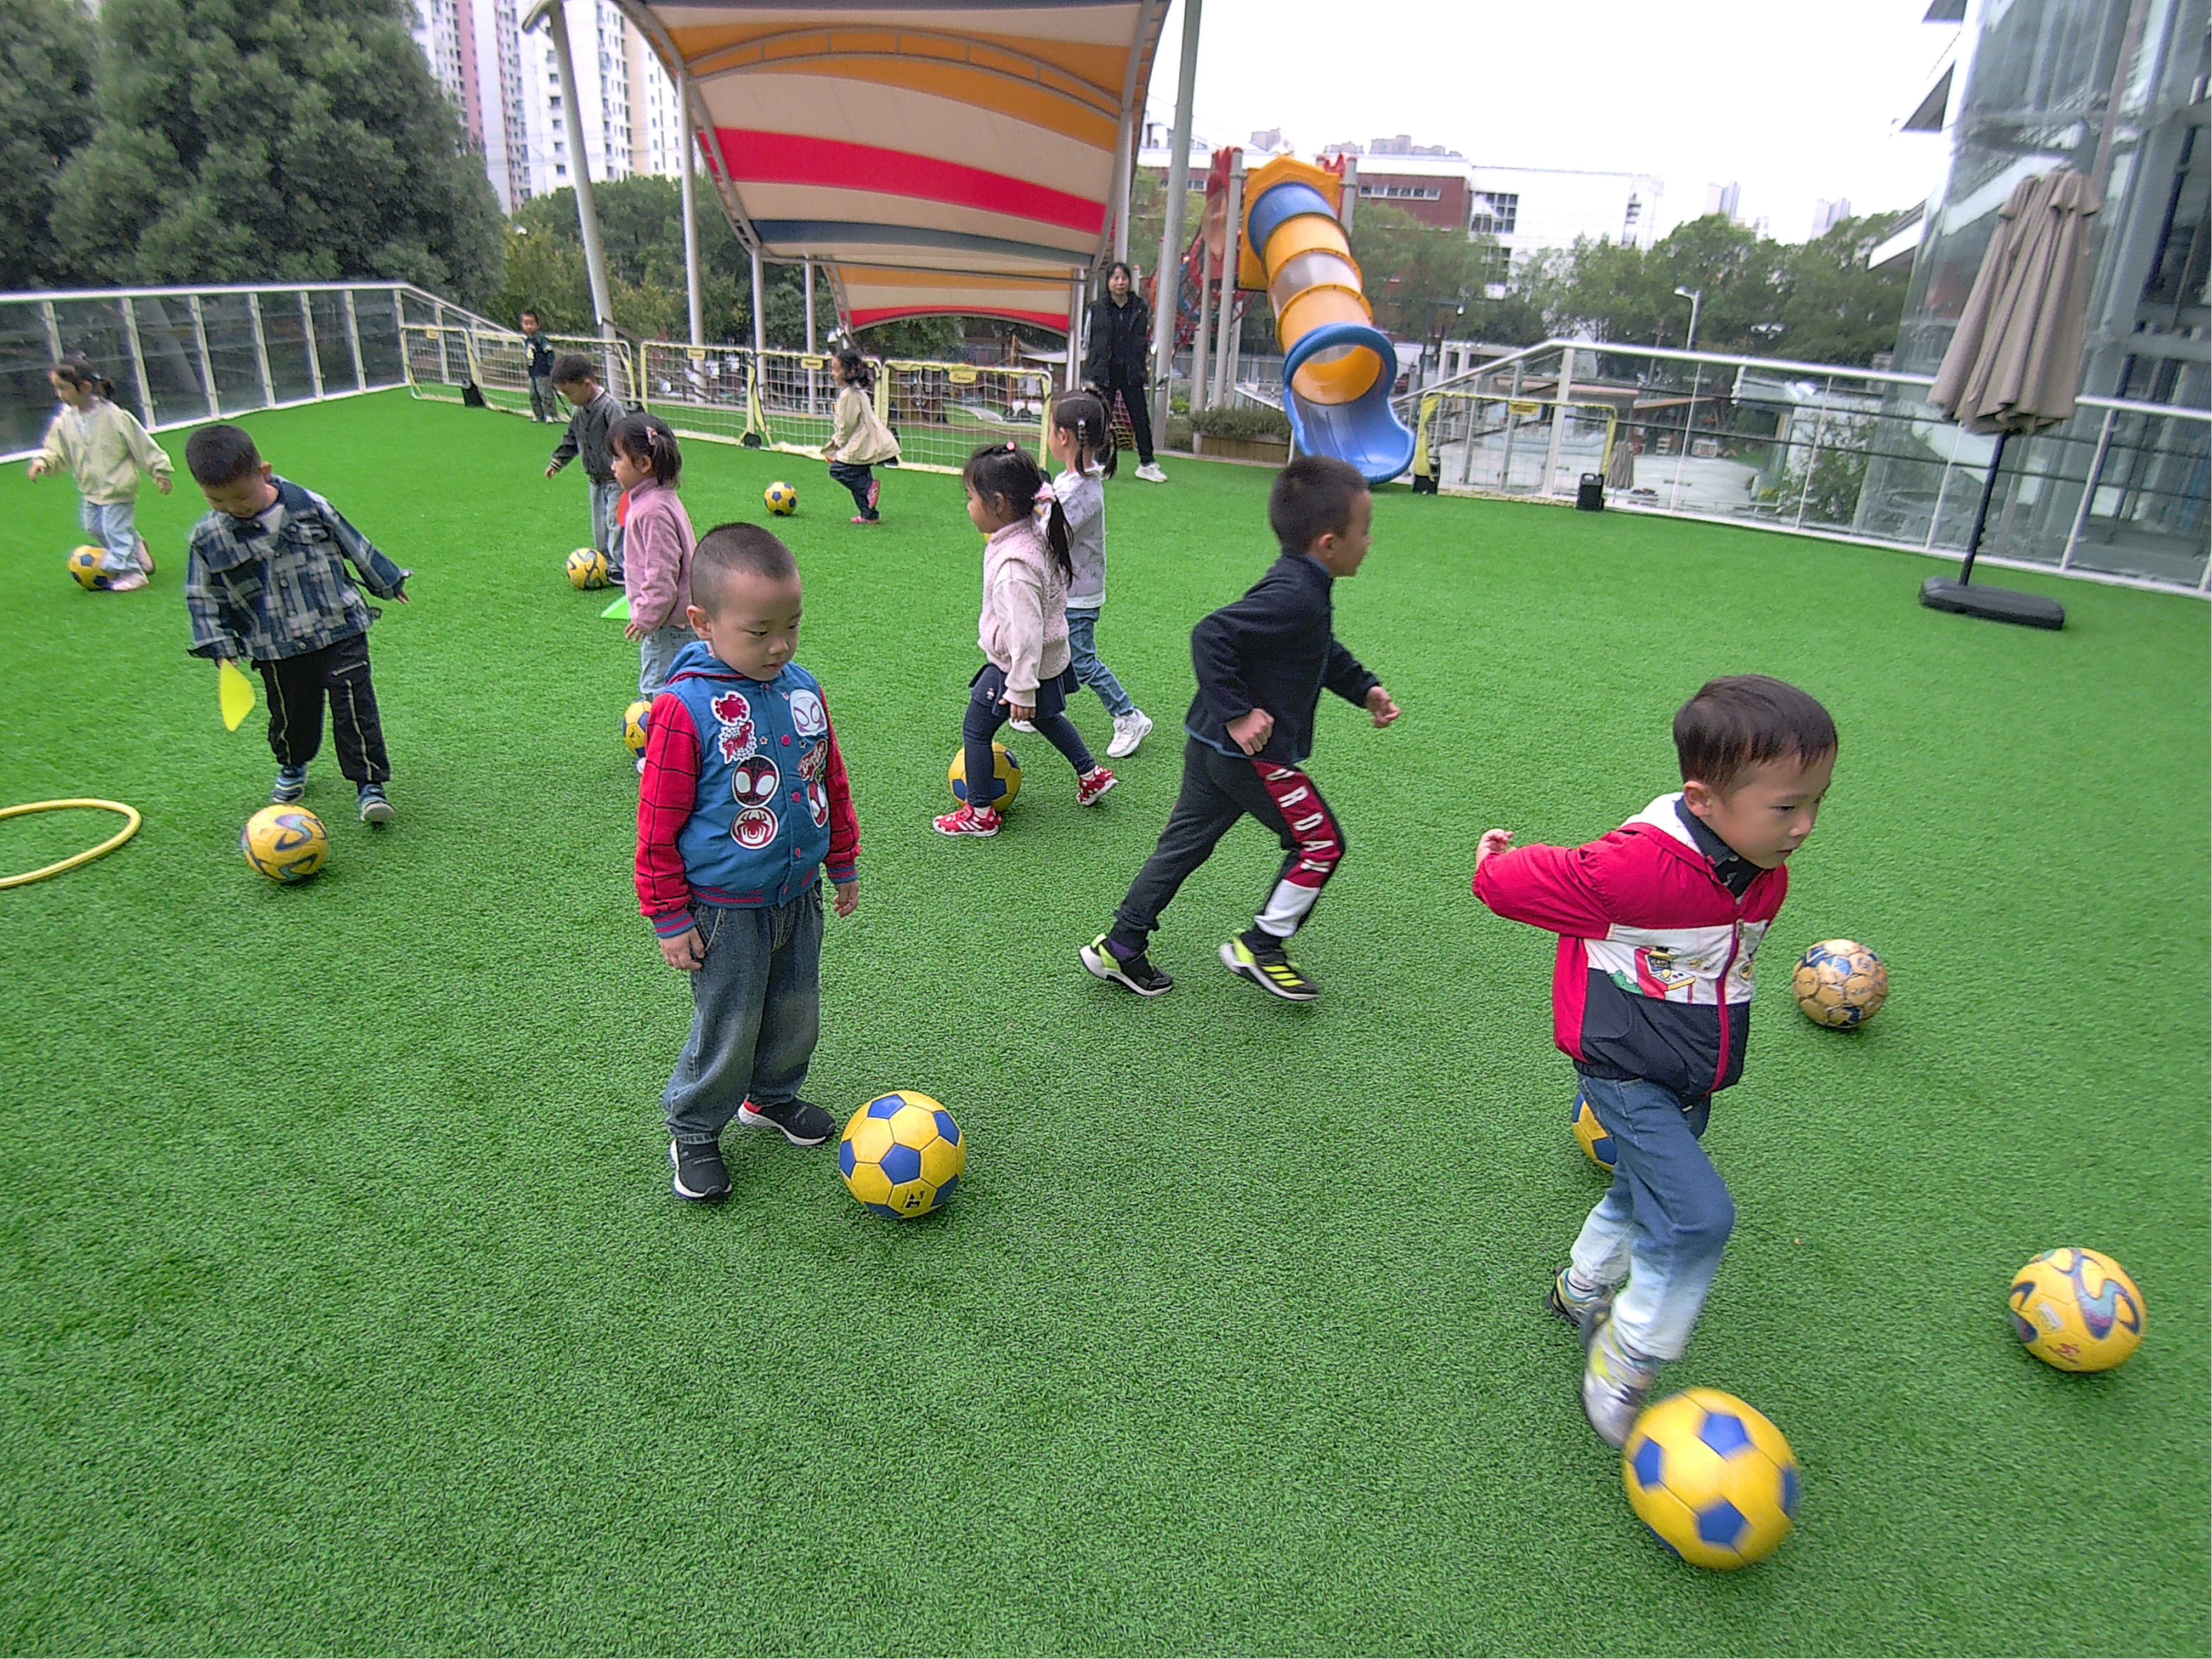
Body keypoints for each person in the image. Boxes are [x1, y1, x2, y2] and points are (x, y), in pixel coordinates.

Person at [1470, 676, 1837, 1447]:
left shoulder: (1762, 868)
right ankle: (1627, 1352)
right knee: (1700, 1214)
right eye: (1786, 807)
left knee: (1641, 1189)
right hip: (1623, 1069)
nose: (1804, 826)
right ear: (1703, 800)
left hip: (1690, 1073)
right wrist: (1493, 862)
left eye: (1817, 802)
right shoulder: (1632, 871)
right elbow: (1508, 888)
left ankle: (1582, 1286)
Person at [1080, 456, 1398, 1003]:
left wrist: (1363, 689)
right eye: (1364, 531)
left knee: (1183, 845)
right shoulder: (1297, 594)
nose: (1369, 543)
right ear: (1328, 543)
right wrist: (1239, 713)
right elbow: (1212, 635)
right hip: (1252, 754)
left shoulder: (1300, 584)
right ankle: (1261, 946)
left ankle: (1122, 945)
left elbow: (1316, 650)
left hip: (1212, 746)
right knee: (1320, 843)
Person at [635, 524, 861, 1202]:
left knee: (795, 1008)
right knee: (730, 1021)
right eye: (759, 631)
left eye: (792, 625)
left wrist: (842, 860)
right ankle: (694, 1126)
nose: (780, 645)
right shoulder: (682, 709)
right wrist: (669, 916)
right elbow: (657, 824)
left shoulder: (803, 689)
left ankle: (771, 1097)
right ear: (702, 623)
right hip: (724, 910)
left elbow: (828, 779)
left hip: (797, 894)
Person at [181, 424, 411, 824]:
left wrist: (387, 581)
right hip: (275, 644)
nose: (234, 507)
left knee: (355, 707)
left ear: (264, 472)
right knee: (292, 715)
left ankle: (370, 785)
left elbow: (354, 543)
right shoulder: (207, 539)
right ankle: (293, 764)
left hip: (339, 626)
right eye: (217, 500)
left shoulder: (309, 506)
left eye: (242, 496)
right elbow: (203, 596)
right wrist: (221, 647)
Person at [934, 442, 1118, 837]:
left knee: (976, 731)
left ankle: (980, 812)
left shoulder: (1014, 566)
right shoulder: (1033, 533)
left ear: (998, 504)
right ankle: (1091, 774)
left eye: (971, 498)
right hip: (1048, 659)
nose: (968, 507)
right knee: (1047, 718)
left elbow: (1025, 632)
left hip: (1018, 666)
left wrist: (1020, 687)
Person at [1049, 390, 1152, 760]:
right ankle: (1039, 705)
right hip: (1067, 588)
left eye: (1051, 429)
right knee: (1049, 646)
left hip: (1079, 594)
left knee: (1082, 662)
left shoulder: (1082, 491)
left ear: (1063, 437)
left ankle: (1129, 716)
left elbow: (1051, 534)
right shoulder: (1071, 481)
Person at [27, 354, 173, 591]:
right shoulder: (66, 421)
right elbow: (56, 449)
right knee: (94, 527)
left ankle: (133, 572)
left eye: (63, 388)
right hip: (90, 488)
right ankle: (136, 547)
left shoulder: (115, 417)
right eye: (57, 388)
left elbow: (142, 444)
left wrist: (160, 470)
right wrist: (44, 462)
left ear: (85, 388)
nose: (59, 394)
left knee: (115, 529)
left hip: (118, 487)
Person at [610, 414, 694, 771]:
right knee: (680, 688)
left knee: (660, 691)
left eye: (618, 458)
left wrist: (646, 616)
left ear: (644, 464)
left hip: (669, 624)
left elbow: (662, 573)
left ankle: (668, 761)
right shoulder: (659, 499)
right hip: (677, 620)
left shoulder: (652, 511)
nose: (613, 466)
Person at [545, 353, 627, 582]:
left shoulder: (610, 408)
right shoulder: (579, 411)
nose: (568, 399)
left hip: (616, 480)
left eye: (569, 393)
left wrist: (625, 468)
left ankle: (622, 567)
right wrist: (558, 462)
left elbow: (624, 440)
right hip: (595, 479)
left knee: (616, 523)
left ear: (587, 385)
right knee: (600, 524)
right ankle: (604, 563)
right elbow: (572, 439)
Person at [1083, 262, 1166, 483]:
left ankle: (1147, 464)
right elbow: (1089, 342)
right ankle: (1102, 463)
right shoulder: (1097, 308)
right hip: (1105, 372)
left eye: (1124, 278)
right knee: (1103, 419)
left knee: (1140, 418)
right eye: (1116, 278)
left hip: (1131, 371)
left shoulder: (1139, 308)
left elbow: (1145, 338)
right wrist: (1091, 371)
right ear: (1109, 282)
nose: (1120, 283)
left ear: (1130, 281)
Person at [821, 348, 899, 524]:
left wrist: (838, 443)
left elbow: (847, 425)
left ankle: (868, 488)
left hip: (859, 444)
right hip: (866, 443)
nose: (833, 374)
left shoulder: (848, 395)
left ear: (849, 372)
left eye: (836, 369)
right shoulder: (858, 392)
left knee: (838, 470)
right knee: (860, 474)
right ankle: (869, 515)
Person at [519, 310, 557, 423]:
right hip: (533, 372)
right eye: (526, 324)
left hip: (543, 372)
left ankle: (550, 415)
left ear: (538, 325)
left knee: (545, 393)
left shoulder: (542, 339)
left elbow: (550, 353)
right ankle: (538, 415)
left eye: (532, 323)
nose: (529, 326)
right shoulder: (527, 340)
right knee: (533, 394)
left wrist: (551, 368)